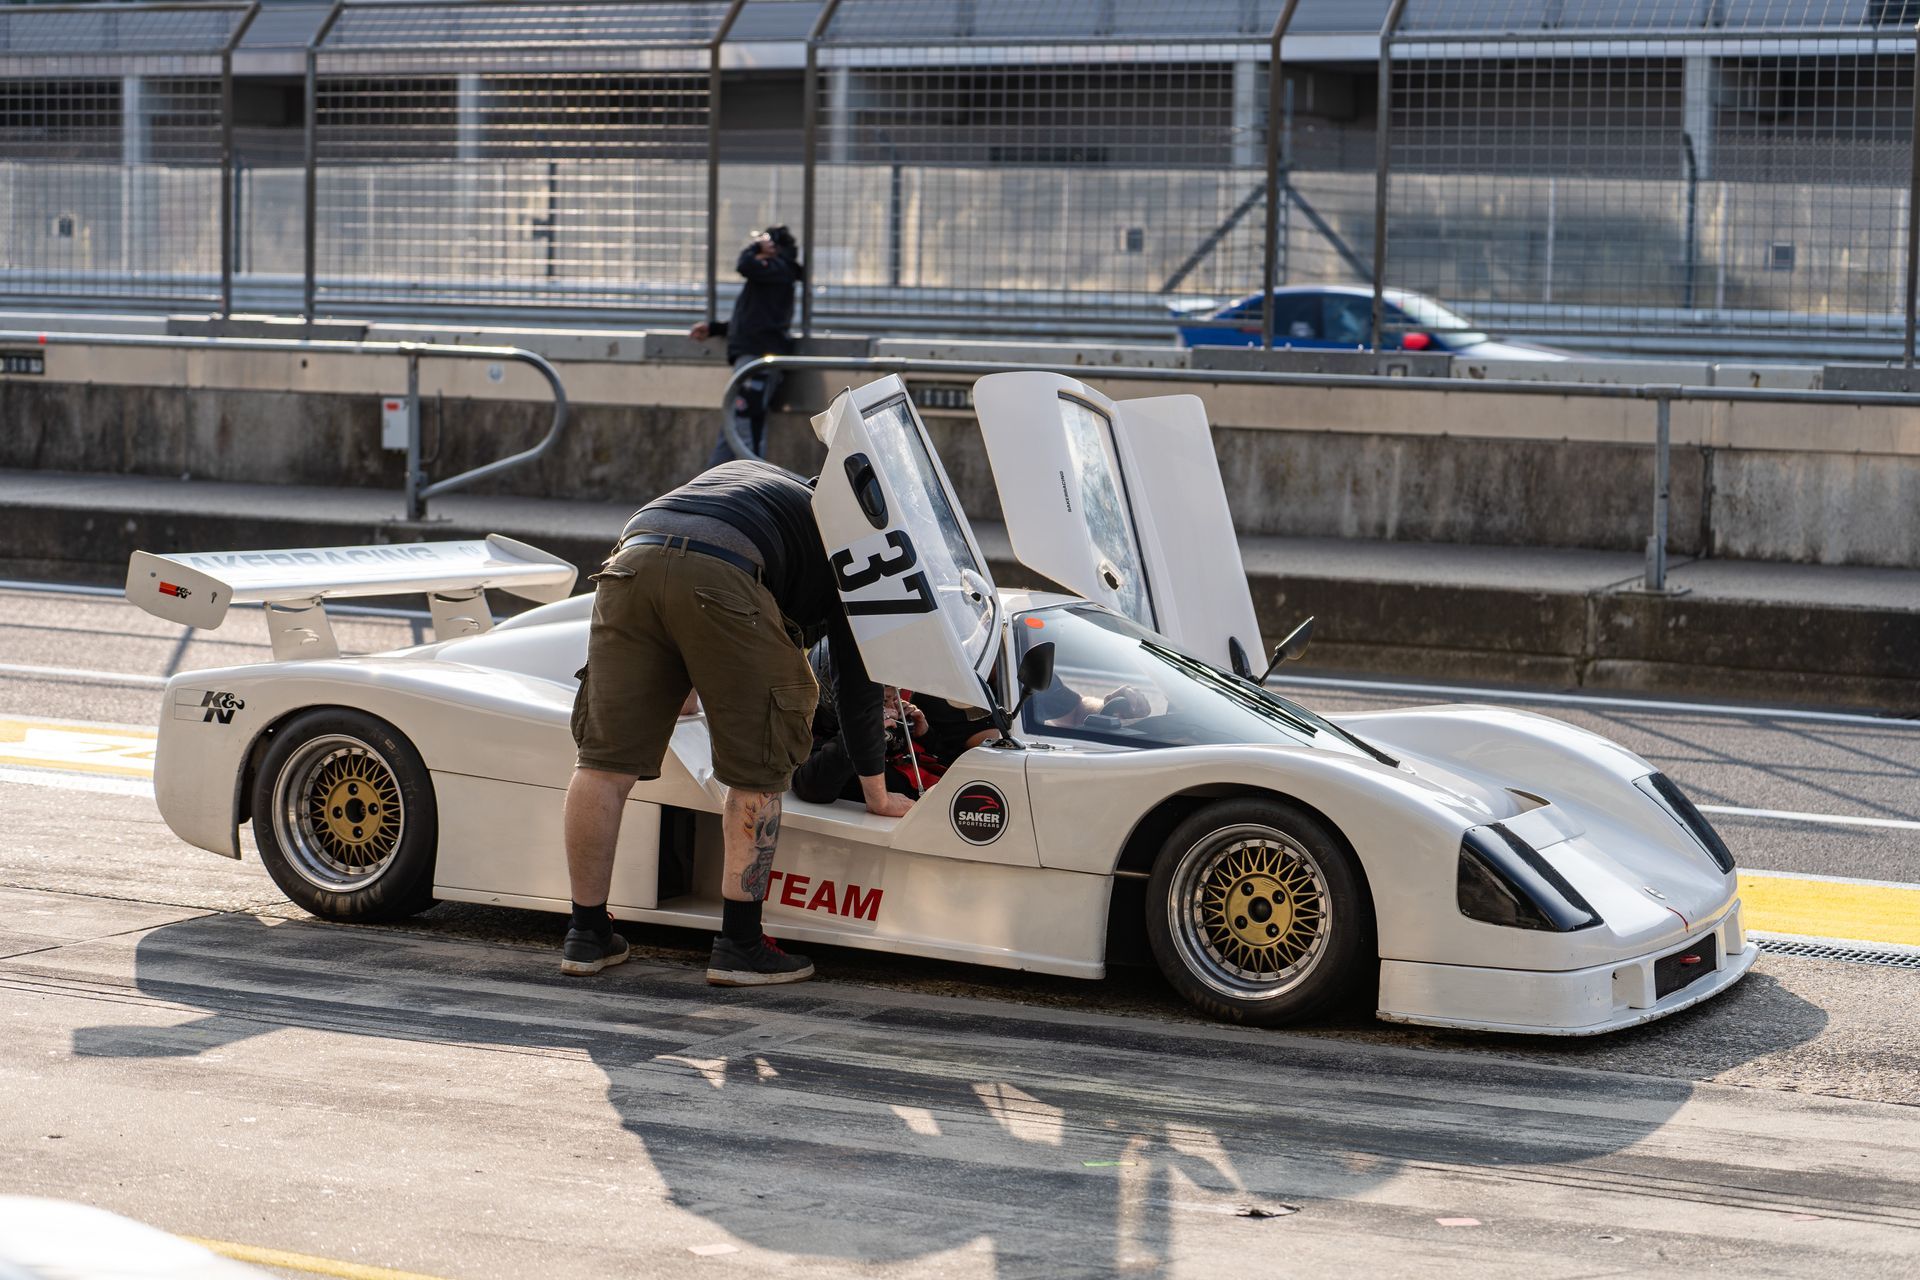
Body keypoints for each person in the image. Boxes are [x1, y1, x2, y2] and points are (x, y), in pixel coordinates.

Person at [560, 458, 914, 987]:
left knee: (603, 764)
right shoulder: (852, 546)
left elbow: (682, 573)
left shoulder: (754, 477)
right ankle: (741, 946)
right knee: (758, 767)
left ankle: (586, 936)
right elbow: (859, 684)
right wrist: (877, 795)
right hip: (725, 574)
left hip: (631, 559)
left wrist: (681, 695)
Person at [692, 225, 803, 467]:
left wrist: (755, 249)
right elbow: (754, 320)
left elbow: (744, 265)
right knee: (734, 425)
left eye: (763, 243)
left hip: (758, 359)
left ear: (773, 247)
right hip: (752, 355)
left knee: (745, 426)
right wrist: (715, 328)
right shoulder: (772, 275)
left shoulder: (778, 270)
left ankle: (752, 483)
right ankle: (711, 488)